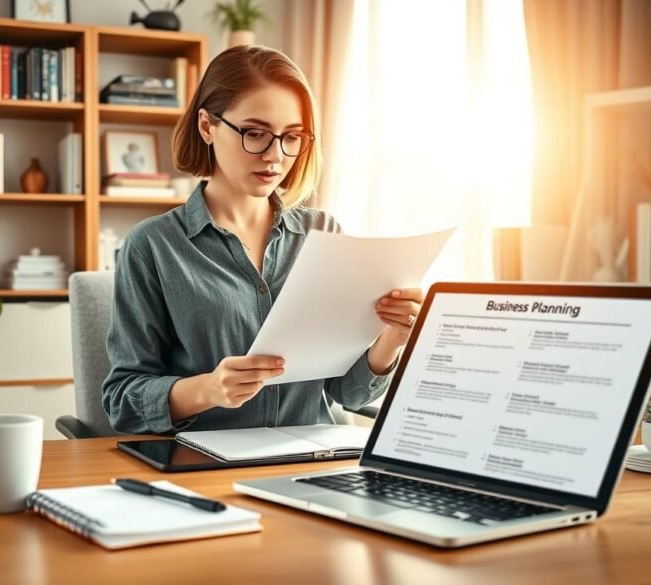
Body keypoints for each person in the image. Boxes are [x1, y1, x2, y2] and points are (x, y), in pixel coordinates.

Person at [102, 45, 424, 434]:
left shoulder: (322, 234)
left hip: (308, 460)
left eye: (292, 137)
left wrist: (392, 338)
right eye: (255, 133)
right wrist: (207, 389)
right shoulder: (153, 246)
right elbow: (123, 402)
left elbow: (348, 394)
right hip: (205, 466)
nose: (275, 155)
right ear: (207, 126)